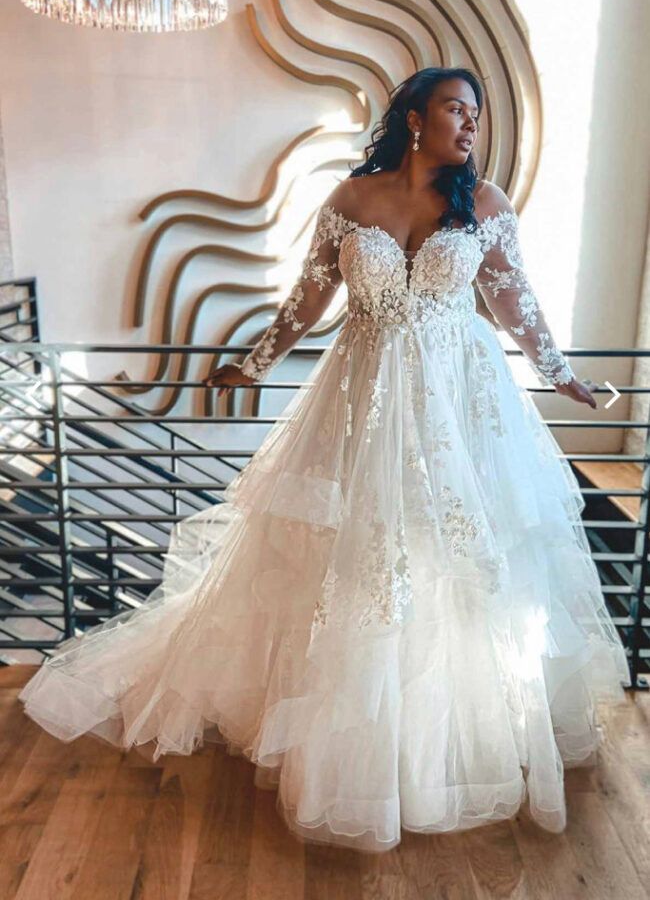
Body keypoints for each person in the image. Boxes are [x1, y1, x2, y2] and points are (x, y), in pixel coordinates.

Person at [18, 67, 631, 853]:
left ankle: (443, 743)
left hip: (459, 405)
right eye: (456, 109)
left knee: (456, 562)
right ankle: (356, 748)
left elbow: (518, 305)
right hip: (362, 398)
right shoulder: (350, 201)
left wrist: (563, 374)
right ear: (415, 118)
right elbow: (307, 301)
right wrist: (255, 362)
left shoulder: (485, 205)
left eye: (475, 114)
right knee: (356, 561)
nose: (471, 125)